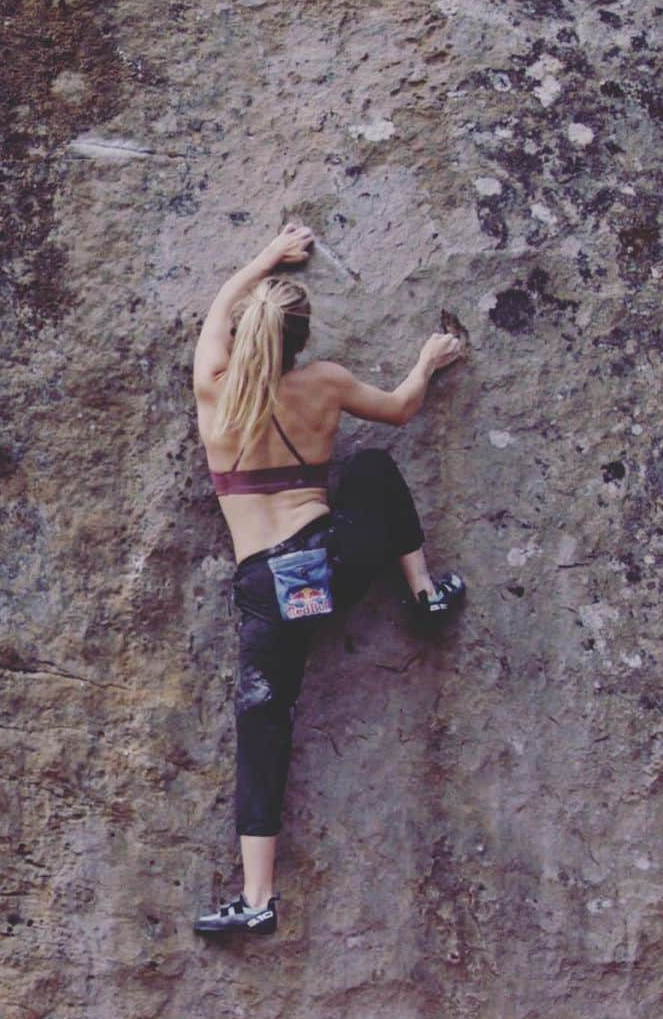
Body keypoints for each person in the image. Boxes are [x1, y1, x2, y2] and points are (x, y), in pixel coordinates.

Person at [191, 222, 464, 936]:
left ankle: (256, 901)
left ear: (247, 335)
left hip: (267, 593)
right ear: (301, 341)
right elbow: (401, 411)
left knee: (263, 729)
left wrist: (266, 257)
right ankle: (425, 593)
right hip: (329, 568)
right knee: (370, 468)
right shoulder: (326, 383)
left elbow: (220, 304)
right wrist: (427, 361)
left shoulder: (213, 389)